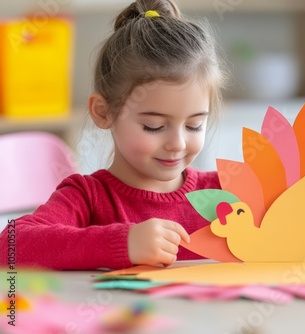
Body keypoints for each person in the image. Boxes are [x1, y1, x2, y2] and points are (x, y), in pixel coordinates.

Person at [0, 0, 226, 270]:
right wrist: (123, 243)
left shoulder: (226, 192)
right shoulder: (88, 198)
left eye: (194, 126)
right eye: (153, 126)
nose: (177, 144)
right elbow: (9, 246)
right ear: (103, 112)